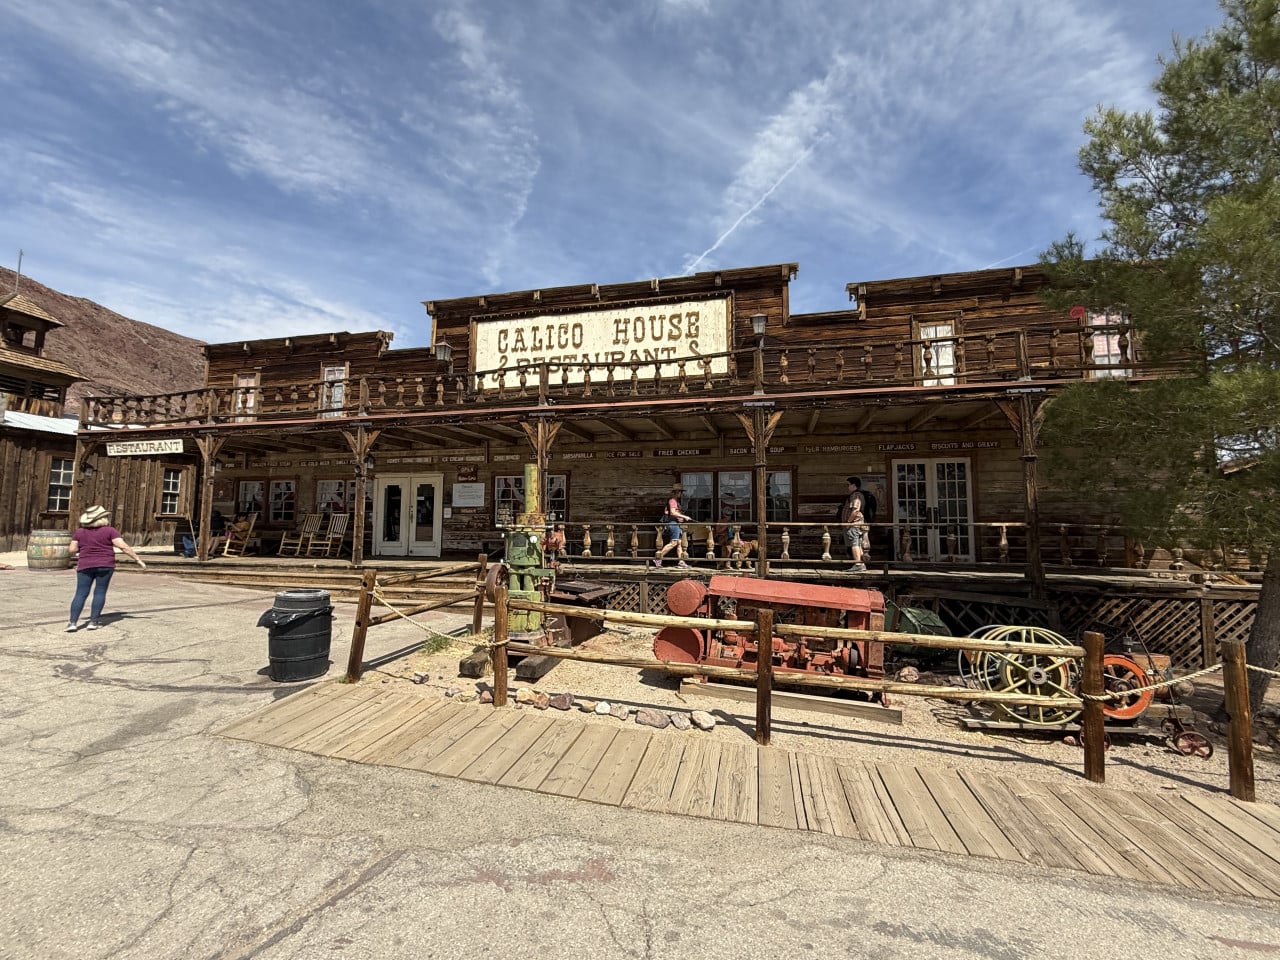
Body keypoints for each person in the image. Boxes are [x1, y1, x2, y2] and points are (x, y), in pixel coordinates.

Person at [67, 504, 147, 632]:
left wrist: (81, 550)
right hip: (105, 564)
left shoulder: (79, 532)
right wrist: (137, 559)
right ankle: (93, 621)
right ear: (103, 518)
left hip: (85, 565)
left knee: (81, 593)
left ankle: (72, 623)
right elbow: (123, 547)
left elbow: (72, 549)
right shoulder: (110, 531)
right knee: (100, 592)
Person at [655, 483, 692, 568]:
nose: (681, 494)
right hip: (673, 523)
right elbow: (673, 512)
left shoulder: (675, 501)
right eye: (680, 492)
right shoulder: (672, 501)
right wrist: (684, 517)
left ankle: (681, 561)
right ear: (677, 492)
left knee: (679, 543)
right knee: (673, 543)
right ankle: (658, 558)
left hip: (676, 523)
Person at [839, 476, 869, 572]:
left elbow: (855, 510)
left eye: (848, 484)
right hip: (856, 523)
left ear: (854, 485)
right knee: (858, 543)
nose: (847, 487)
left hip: (854, 523)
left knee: (855, 543)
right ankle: (861, 563)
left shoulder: (856, 495)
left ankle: (858, 564)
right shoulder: (856, 495)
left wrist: (848, 522)